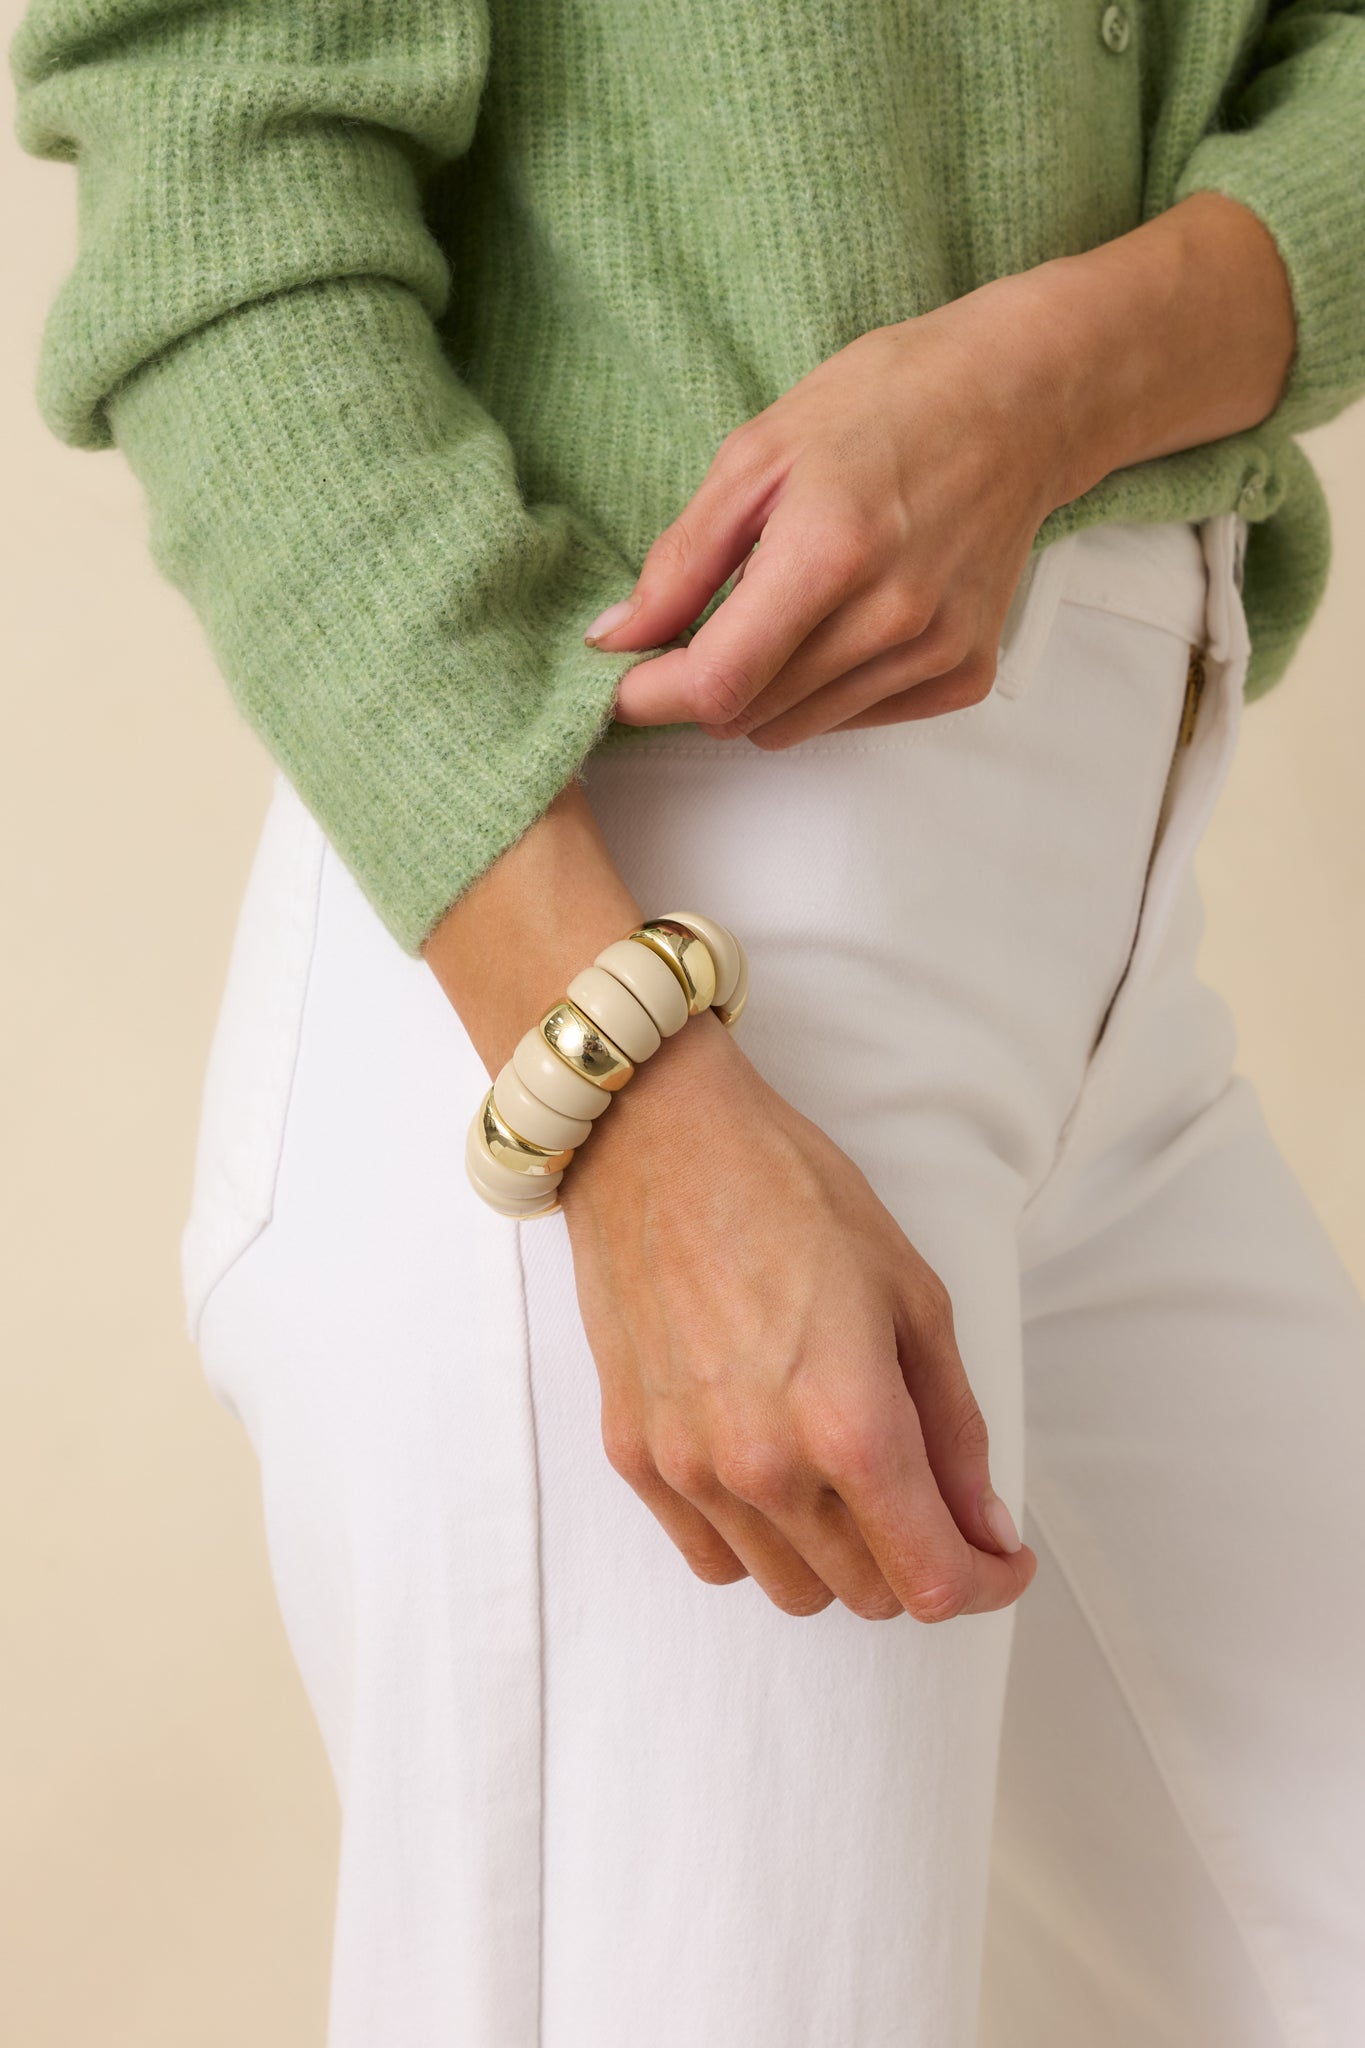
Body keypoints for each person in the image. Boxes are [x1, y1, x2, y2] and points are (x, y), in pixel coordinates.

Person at [11, 2, 1365, 2041]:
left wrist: (1030, 385)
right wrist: (617, 1086)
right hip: (621, 938)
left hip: (1112, 997)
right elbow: (225, 184)